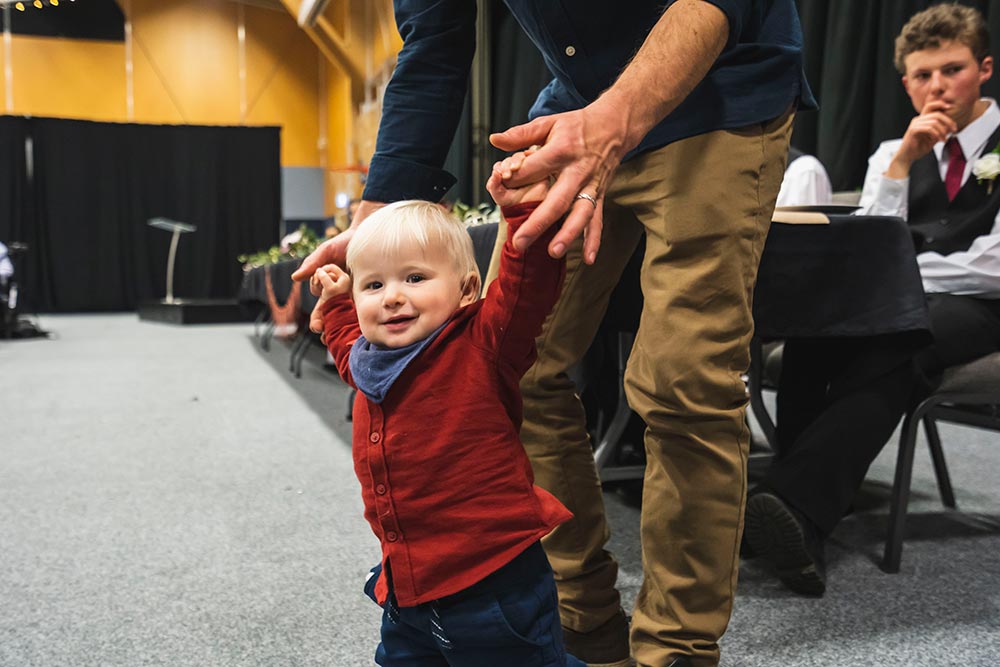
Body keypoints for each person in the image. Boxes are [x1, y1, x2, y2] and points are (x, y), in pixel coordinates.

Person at [295, 2, 813, 665]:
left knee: (682, 382)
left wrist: (619, 116)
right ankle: (584, 617)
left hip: (718, 91)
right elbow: (432, 43)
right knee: (508, 371)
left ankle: (675, 646)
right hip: (572, 108)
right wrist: (377, 229)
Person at [745, 2, 1000, 597]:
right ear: (905, 82)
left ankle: (789, 500)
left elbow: (993, 264)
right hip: (906, 299)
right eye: (922, 75)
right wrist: (902, 164)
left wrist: (906, 281)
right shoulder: (893, 150)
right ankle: (802, 513)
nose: (937, 86)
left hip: (985, 305)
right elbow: (871, 248)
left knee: (903, 337)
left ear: (984, 68)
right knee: (819, 332)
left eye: (952, 69)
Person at [309, 161, 586, 667]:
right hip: (408, 588)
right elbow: (349, 347)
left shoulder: (483, 342)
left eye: (415, 278)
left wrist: (521, 210)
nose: (392, 296)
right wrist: (335, 305)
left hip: (493, 585)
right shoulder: (373, 360)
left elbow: (530, 287)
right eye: (372, 285)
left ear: (465, 290)